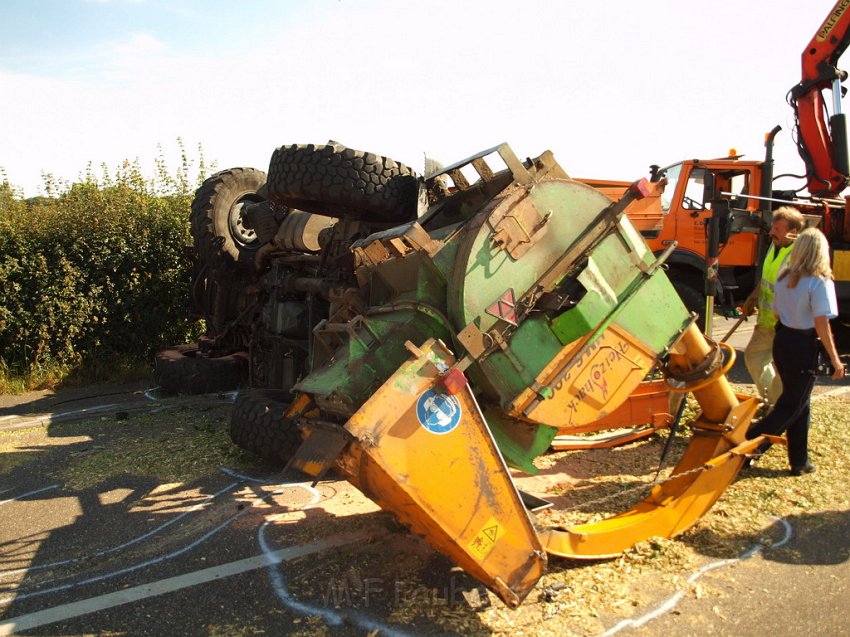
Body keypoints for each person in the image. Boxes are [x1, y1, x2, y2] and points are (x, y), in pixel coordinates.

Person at [746, 227, 845, 475]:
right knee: (791, 405)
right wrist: (834, 358)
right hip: (803, 344)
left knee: (800, 402)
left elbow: (778, 311)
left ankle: (799, 460)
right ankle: (746, 443)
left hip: (784, 339)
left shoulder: (784, 275)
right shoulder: (820, 282)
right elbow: (822, 324)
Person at [742, 206, 806, 406]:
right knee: (753, 359)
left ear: (793, 232)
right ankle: (771, 401)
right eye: (773, 228)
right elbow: (767, 277)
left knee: (781, 371)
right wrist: (754, 296)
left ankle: (777, 412)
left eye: (777, 229)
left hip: (786, 325)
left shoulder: (799, 255)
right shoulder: (773, 246)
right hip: (766, 322)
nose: (771, 233)